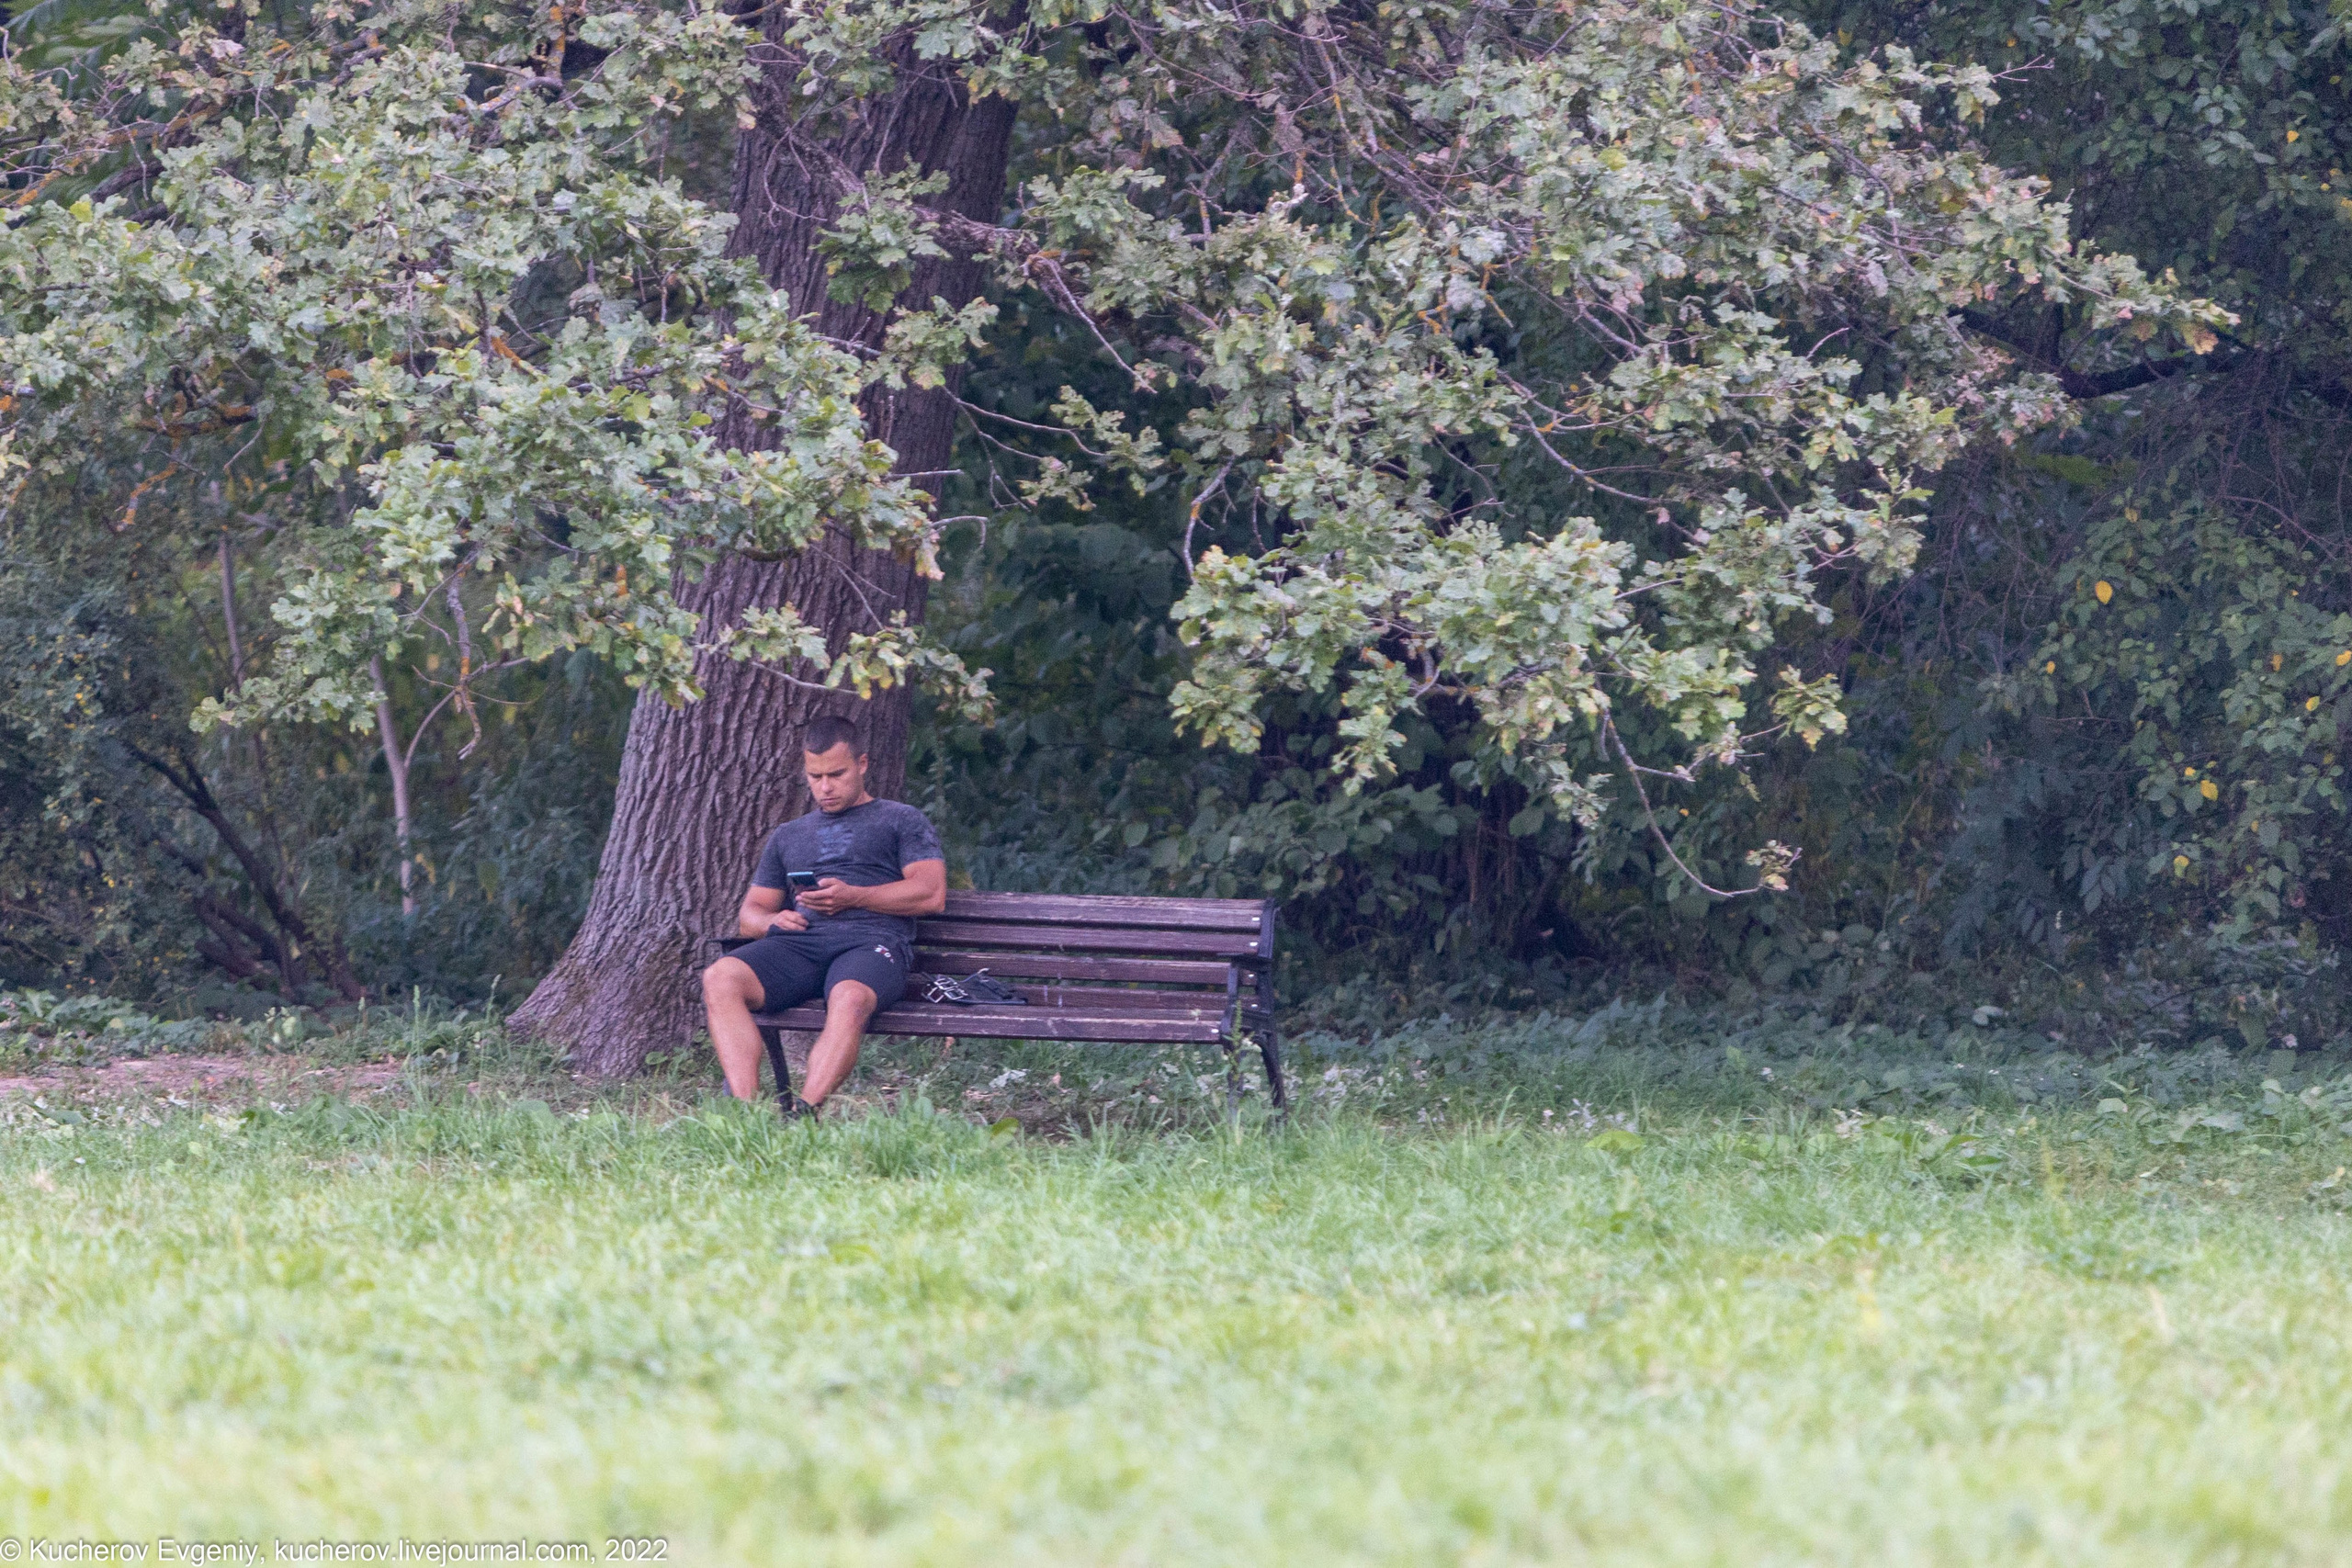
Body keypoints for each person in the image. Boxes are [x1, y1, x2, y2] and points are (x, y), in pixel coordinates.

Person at [699, 716, 946, 1116]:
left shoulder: (901, 819)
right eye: (815, 777)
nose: (825, 787)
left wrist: (855, 897)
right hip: (800, 945)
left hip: (872, 944)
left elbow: (931, 894)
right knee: (720, 977)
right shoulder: (789, 835)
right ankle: (745, 1115)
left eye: (836, 774)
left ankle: (804, 1114)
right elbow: (751, 915)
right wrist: (772, 922)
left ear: (862, 764)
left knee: (848, 997)